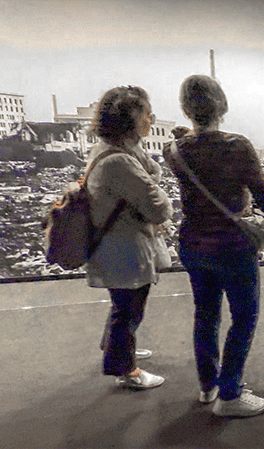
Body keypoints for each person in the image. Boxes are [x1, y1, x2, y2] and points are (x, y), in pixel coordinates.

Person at [163, 74, 264, 417]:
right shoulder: (237, 146)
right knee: (244, 317)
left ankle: (209, 386)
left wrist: (184, 134)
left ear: (186, 108)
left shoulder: (173, 150)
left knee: (205, 315)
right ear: (222, 104)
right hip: (231, 246)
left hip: (193, 243)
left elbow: (191, 147)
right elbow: (263, 193)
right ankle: (230, 394)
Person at [86, 86, 173, 389]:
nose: (151, 119)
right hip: (124, 248)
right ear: (132, 120)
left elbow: (151, 172)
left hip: (116, 243)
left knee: (123, 305)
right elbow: (159, 206)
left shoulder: (114, 150)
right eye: (147, 114)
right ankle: (126, 369)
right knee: (129, 307)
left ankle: (116, 348)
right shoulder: (119, 162)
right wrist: (161, 194)